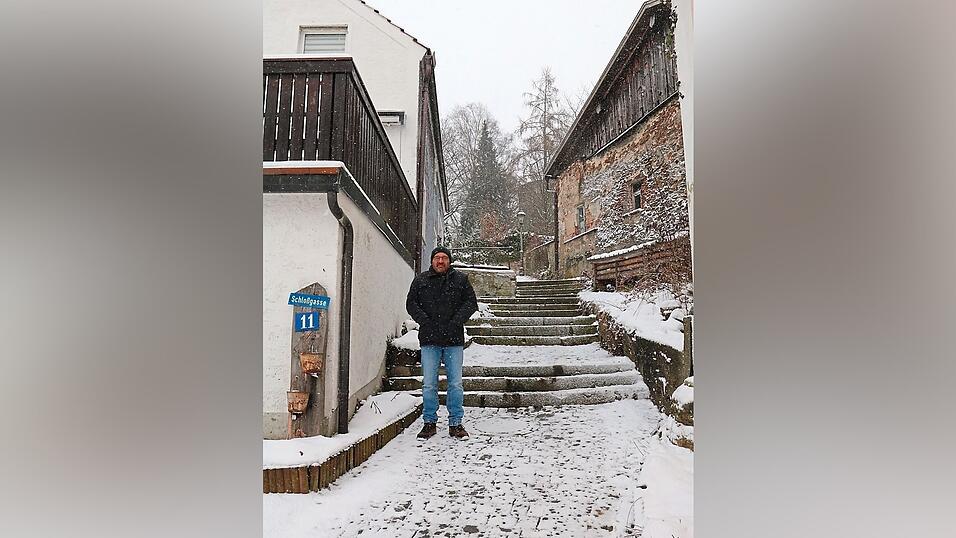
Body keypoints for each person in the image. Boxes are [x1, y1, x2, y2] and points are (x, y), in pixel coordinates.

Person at [406, 246, 478, 439]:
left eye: (444, 258)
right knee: (429, 384)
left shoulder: (460, 280)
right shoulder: (421, 280)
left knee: (455, 384)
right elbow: (411, 304)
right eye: (437, 258)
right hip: (429, 340)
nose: (440, 261)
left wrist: (456, 321)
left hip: (453, 340)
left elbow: (471, 302)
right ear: (432, 261)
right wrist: (426, 321)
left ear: (449, 261)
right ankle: (429, 422)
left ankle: (456, 423)